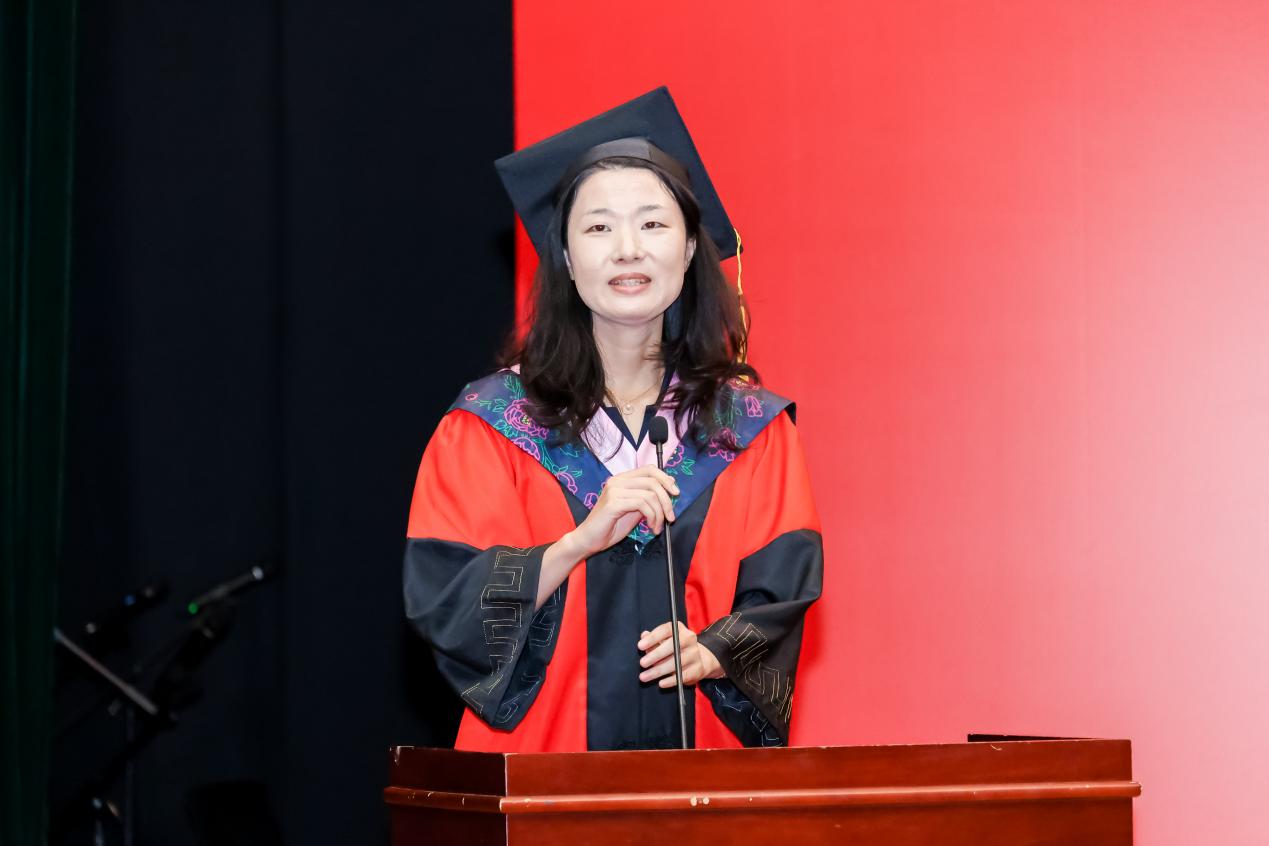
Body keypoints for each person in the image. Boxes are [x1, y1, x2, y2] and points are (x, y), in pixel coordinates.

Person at [403, 87, 823, 752]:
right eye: (598, 228)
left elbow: (781, 595)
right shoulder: (489, 426)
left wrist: (717, 651)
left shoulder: (748, 429)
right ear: (567, 259)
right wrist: (578, 542)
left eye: (653, 224)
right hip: (543, 771)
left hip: (701, 780)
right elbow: (446, 600)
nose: (628, 249)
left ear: (690, 248)